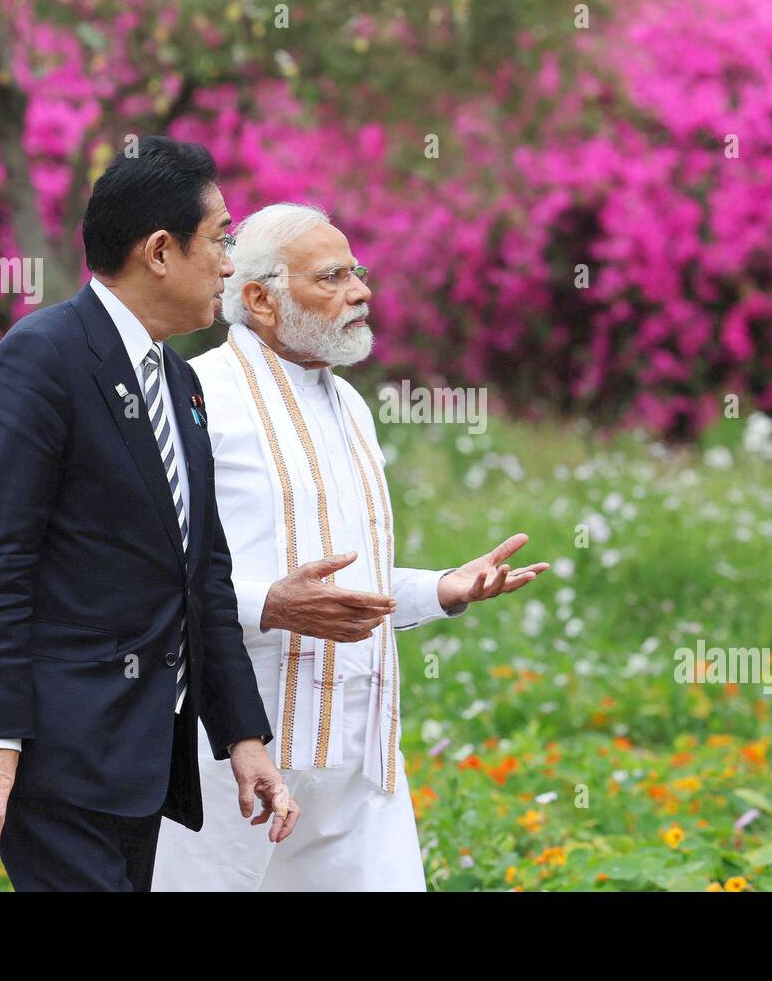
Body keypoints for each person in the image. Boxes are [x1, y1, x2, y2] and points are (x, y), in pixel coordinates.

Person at [0, 137, 299, 891]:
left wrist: (243, 735)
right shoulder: (43, 358)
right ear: (160, 250)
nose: (230, 263)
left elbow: (203, 577)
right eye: (220, 239)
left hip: (141, 756)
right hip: (56, 751)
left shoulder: (182, 384)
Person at [151, 202, 547, 891]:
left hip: (362, 755)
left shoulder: (352, 407)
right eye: (331, 277)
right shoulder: (196, 394)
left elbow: (343, 585)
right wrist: (269, 606)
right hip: (232, 753)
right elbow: (150, 573)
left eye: (356, 272)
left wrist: (442, 589)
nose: (360, 291)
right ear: (259, 299)